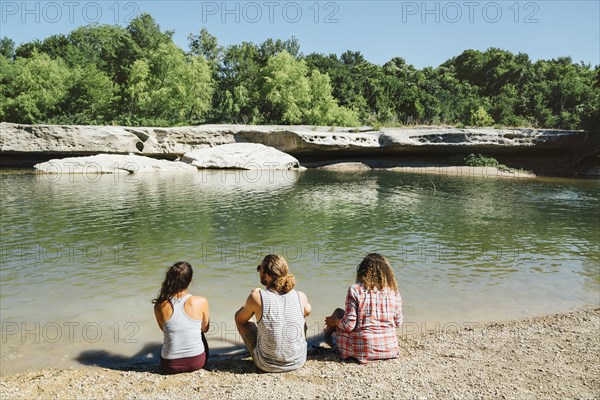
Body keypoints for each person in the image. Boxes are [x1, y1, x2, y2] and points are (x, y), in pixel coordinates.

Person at [235, 254, 311, 372]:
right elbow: (308, 310)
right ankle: (289, 351)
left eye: (261, 270)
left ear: (267, 275)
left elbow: (240, 319)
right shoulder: (300, 295)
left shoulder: (257, 297)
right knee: (302, 317)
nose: (259, 272)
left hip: (266, 364)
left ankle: (265, 351)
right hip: (298, 361)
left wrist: (251, 301)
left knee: (243, 316)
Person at [324, 253, 403, 363]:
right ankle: (326, 336)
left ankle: (325, 337)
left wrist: (335, 321)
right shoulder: (394, 292)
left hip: (362, 350)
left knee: (338, 313)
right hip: (390, 349)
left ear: (362, 271)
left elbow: (348, 326)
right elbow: (398, 323)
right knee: (341, 314)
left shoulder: (355, 289)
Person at [153, 261, 210, 374]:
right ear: (190, 280)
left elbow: (164, 329)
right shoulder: (201, 301)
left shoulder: (159, 305)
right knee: (198, 331)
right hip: (197, 362)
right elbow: (205, 329)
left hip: (169, 365)